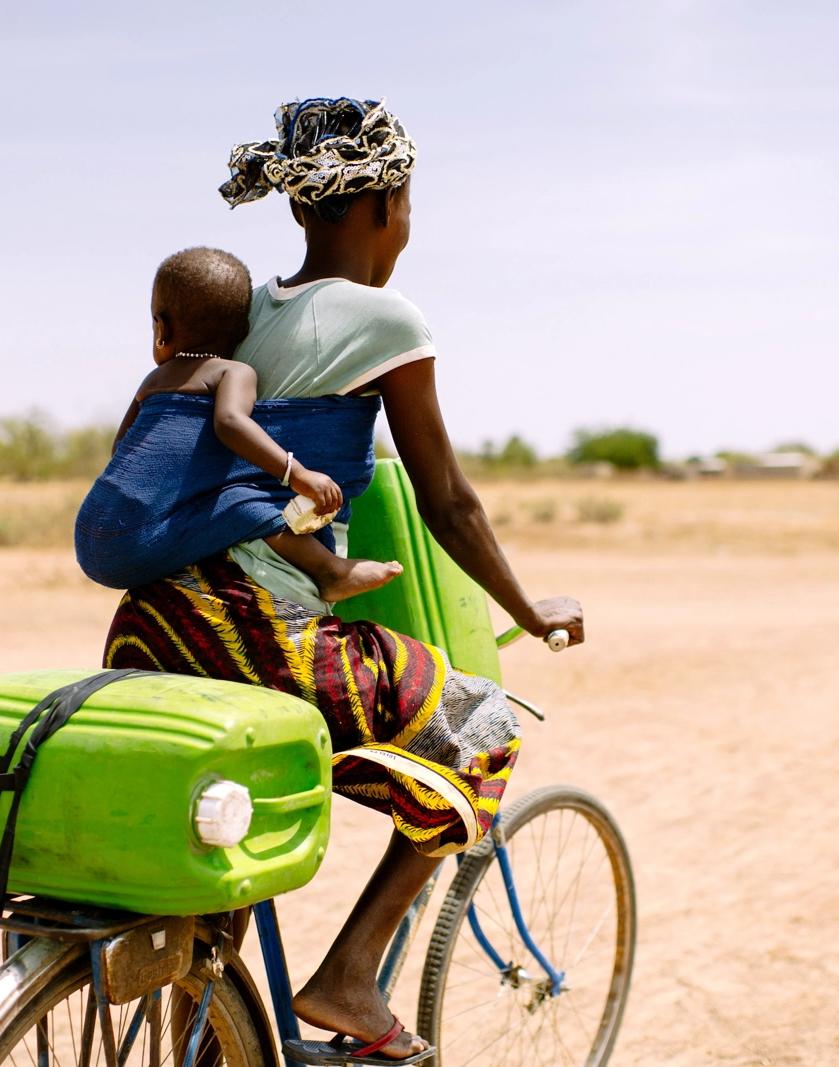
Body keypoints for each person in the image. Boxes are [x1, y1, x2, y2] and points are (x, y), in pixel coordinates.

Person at [102, 97, 584, 1063]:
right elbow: (447, 498)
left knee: (228, 839)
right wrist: (531, 611)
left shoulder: (243, 312)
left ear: (296, 209)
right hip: (257, 632)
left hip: (152, 622)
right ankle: (352, 977)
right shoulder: (385, 318)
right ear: (387, 205)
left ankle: (211, 1031)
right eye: (407, 206)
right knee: (482, 728)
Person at [96, 246, 403, 603]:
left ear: (160, 328)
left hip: (101, 529)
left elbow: (121, 449)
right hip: (141, 538)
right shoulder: (233, 372)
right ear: (244, 331)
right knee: (242, 500)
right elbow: (229, 421)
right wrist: (297, 473)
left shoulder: (152, 381)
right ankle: (330, 571)